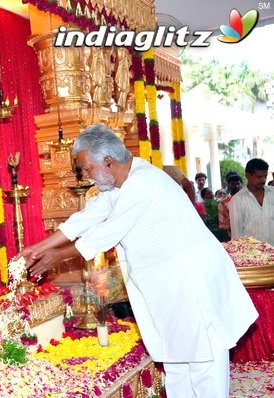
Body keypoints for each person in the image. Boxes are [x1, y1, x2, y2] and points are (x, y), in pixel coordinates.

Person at [18, 124, 257, 398]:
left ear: (108, 162)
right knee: (177, 359)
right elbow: (88, 216)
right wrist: (38, 248)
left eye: (87, 168)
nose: (85, 175)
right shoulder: (125, 181)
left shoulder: (142, 183)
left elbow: (107, 232)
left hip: (192, 283)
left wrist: (56, 257)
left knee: (204, 364)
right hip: (172, 287)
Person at [229, 158, 274, 245]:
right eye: (259, 177)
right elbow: (236, 234)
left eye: (265, 176)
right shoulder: (237, 200)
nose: (263, 180)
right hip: (253, 255)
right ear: (248, 175)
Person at [218, 173, 243, 242]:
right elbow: (223, 225)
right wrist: (228, 242)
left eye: (238, 184)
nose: (236, 186)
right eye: (233, 184)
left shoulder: (247, 199)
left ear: (241, 185)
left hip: (248, 234)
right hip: (232, 236)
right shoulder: (223, 202)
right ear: (228, 186)